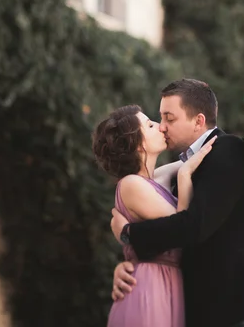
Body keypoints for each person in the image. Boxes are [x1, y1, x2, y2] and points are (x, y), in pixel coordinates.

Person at [111, 79, 244, 327]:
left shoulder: (229, 151)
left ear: (199, 121)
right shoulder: (183, 170)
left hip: (241, 307)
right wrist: (128, 265)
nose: (162, 127)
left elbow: (194, 226)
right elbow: (172, 240)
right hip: (208, 310)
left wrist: (128, 233)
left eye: (169, 119)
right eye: (159, 119)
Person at [92, 104, 217, 327]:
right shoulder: (131, 184)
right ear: (138, 144)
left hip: (168, 284)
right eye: (150, 125)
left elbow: (203, 151)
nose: (160, 127)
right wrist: (185, 174)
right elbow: (182, 227)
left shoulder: (154, 179)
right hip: (149, 288)